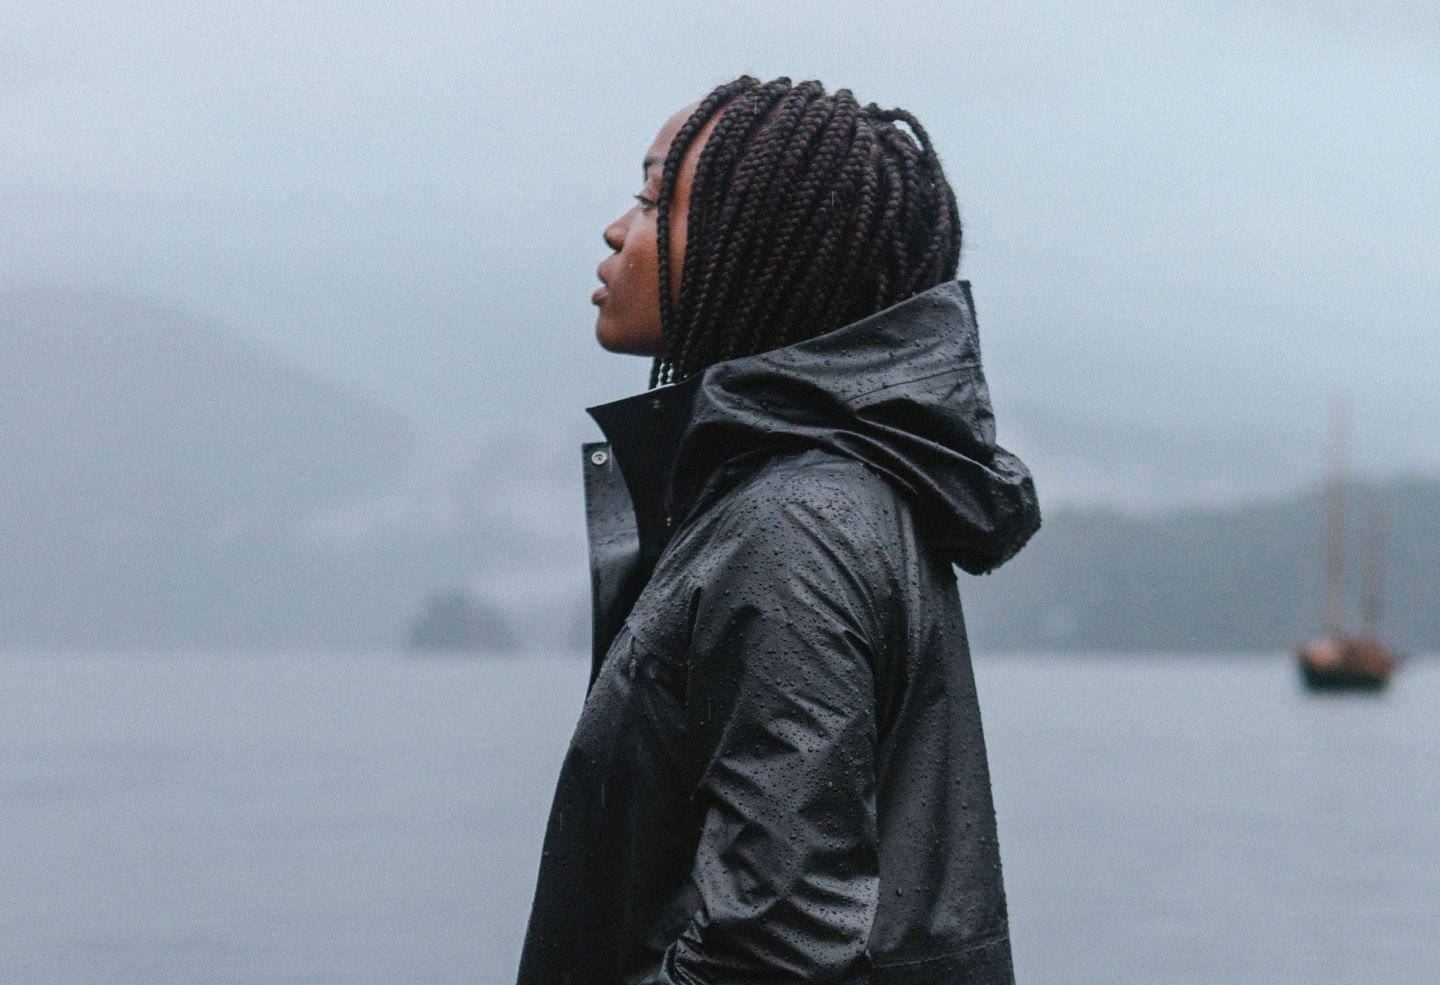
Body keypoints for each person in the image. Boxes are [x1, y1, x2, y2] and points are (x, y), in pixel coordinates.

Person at [517, 75, 1040, 985]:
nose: (616, 229)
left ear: (753, 242)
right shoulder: (800, 494)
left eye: (654, 199)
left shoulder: (791, 526)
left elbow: (777, 942)